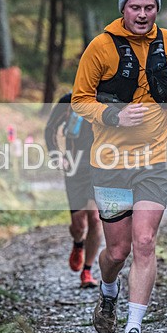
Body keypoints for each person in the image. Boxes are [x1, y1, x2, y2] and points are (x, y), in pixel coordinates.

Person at [72, 0, 167, 333]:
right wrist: (113, 116)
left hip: (156, 161)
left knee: (144, 242)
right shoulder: (100, 47)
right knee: (118, 250)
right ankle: (108, 294)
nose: (142, 14)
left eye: (149, 7)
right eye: (135, 7)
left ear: (157, 8)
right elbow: (79, 100)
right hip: (110, 163)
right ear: (123, 9)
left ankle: (134, 330)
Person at [44, 93, 103, 289]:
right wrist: (56, 155)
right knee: (79, 225)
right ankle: (78, 243)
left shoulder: (107, 98)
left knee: (95, 218)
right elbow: (50, 129)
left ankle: (87, 271)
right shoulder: (68, 101)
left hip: (100, 166)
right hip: (75, 167)